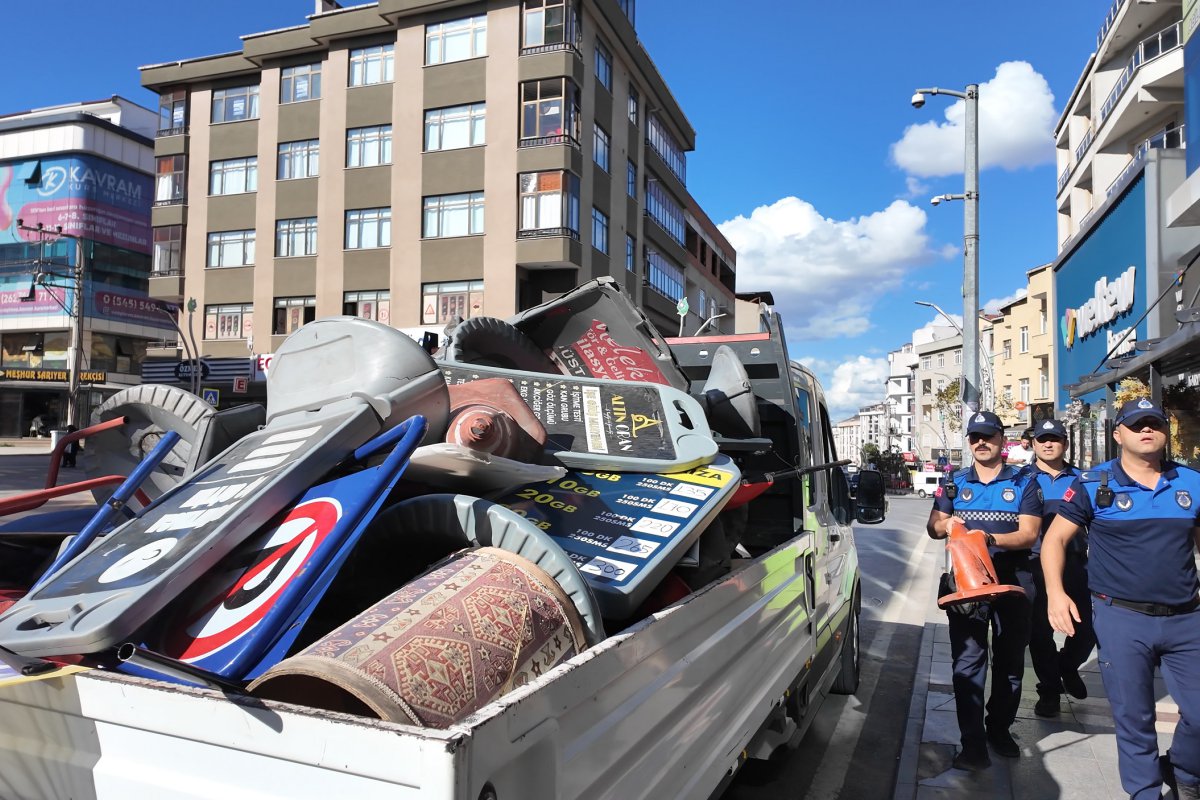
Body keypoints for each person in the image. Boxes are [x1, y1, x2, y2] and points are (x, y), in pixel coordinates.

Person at [1044, 398, 1200, 800]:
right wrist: (1056, 595)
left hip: (1187, 617)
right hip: (1122, 617)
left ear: (1166, 432)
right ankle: (1145, 792)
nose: (1146, 430)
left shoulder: (1191, 482)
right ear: (1118, 435)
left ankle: (1183, 770)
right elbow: (1055, 541)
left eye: (1154, 424)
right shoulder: (1094, 484)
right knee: (1135, 718)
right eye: (1136, 425)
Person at [927, 410, 1042, 771]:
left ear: (1001, 439)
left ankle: (1000, 729)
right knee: (967, 663)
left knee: (1009, 662)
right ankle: (972, 743)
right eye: (975, 436)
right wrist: (945, 524)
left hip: (1014, 581)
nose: (981, 442)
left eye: (988, 436)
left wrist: (988, 537)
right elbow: (933, 526)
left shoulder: (1025, 481)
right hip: (967, 585)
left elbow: (1029, 533)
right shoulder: (955, 481)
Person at [1021, 418, 1094, 718]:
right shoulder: (1022, 480)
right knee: (1040, 634)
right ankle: (1049, 689)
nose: (1048, 444)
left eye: (1055, 438)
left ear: (1065, 443)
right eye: (1042, 439)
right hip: (1035, 566)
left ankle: (1068, 666)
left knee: (1088, 629)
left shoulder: (1084, 480)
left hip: (1076, 565)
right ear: (1034, 444)